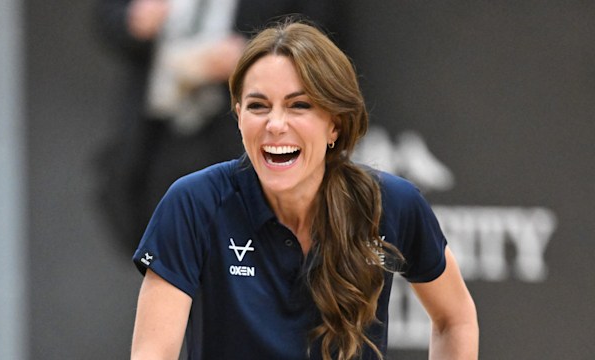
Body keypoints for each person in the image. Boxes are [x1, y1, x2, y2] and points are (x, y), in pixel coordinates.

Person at [131, 20, 479, 360]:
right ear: (238, 117)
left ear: (335, 125)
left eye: (299, 105)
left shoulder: (390, 203)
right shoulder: (194, 202)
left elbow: (455, 320)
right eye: (258, 106)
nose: (275, 125)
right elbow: (152, 352)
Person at [92, 0, 341, 257]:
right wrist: (133, 20)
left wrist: (254, 59)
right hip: (158, 132)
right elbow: (109, 15)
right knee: (165, 258)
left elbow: (318, 34)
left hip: (239, 134)